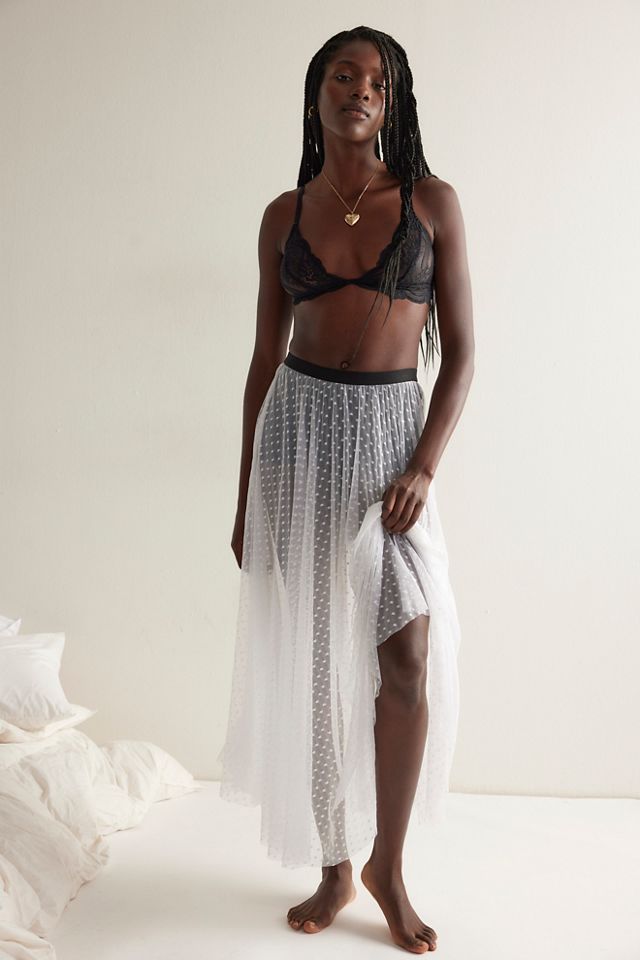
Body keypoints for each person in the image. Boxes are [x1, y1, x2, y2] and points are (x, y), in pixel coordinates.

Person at [217, 24, 474, 956]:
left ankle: (386, 869)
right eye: (343, 74)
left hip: (390, 445)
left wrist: (423, 467)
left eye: (376, 80)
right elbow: (263, 359)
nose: (359, 89)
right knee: (320, 665)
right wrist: (245, 496)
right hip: (297, 437)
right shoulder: (282, 216)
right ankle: (334, 862)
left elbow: (463, 357)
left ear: (392, 102)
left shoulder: (432, 203)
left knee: (406, 657)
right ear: (317, 93)